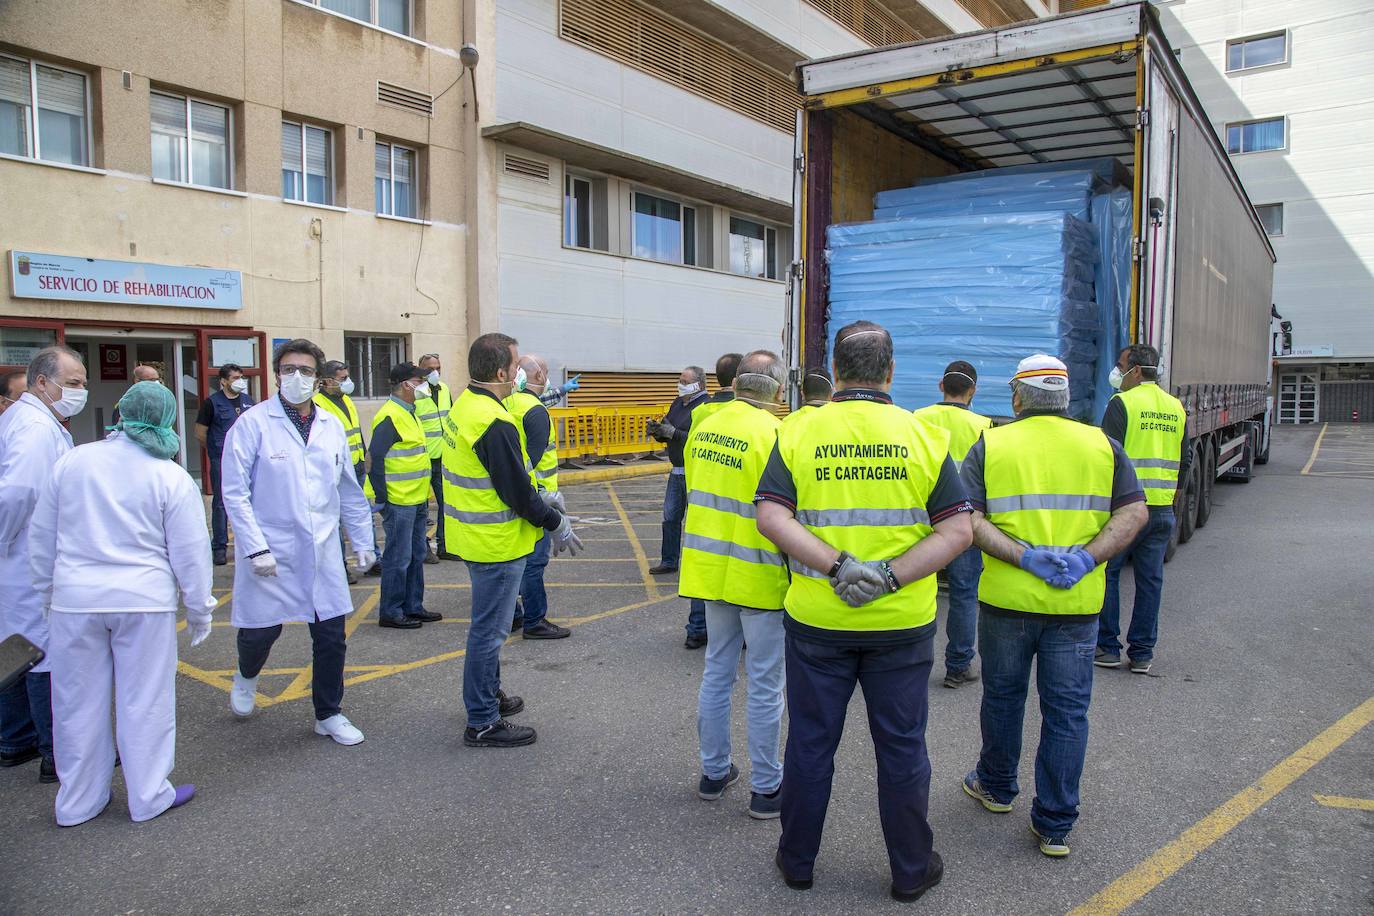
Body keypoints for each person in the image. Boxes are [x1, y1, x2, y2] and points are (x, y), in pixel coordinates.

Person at [755, 321, 973, 902]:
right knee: (902, 749)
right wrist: (889, 576)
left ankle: (797, 862)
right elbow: (957, 530)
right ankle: (909, 870)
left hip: (817, 620)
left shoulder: (799, 429)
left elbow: (773, 518)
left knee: (809, 745)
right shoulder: (923, 435)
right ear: (891, 372)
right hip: (899, 624)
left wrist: (834, 568)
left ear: (836, 367)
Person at [958, 354, 1147, 859]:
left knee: (1003, 697)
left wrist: (1023, 557)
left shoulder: (992, 444)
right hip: (1078, 605)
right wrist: (1087, 557)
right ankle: (1056, 823)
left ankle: (997, 788)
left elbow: (966, 518)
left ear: (1018, 397)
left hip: (1007, 602)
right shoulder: (1101, 445)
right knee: (1067, 712)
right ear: (1064, 398)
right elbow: (1134, 512)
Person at [28, 381, 213, 826]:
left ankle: (77, 802)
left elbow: (42, 536)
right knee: (144, 699)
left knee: (75, 702)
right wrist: (200, 607)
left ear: (122, 415)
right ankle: (148, 795)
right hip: (143, 602)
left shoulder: (73, 462)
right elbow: (190, 551)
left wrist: (47, 593)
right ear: (166, 420)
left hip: (75, 601)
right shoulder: (168, 474)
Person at [219, 339, 376, 746]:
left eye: (306, 371)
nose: (297, 378)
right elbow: (234, 493)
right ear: (276, 374)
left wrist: (362, 539)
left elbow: (347, 489)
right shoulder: (252, 424)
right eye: (289, 369)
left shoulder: (330, 426)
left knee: (330, 636)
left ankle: (328, 713)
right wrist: (254, 547)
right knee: (259, 632)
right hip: (269, 549)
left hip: (322, 550)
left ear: (319, 379)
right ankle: (247, 674)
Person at [441, 333, 583, 748]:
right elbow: (516, 492)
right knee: (489, 633)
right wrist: (554, 520)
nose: (521, 370)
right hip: (496, 543)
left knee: (488, 630)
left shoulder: (467, 405)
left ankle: (489, 696)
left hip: (475, 538)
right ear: (502, 372)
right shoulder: (493, 421)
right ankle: (483, 720)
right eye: (517, 363)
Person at [681, 350, 789, 820]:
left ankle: (713, 772)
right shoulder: (775, 433)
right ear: (778, 391)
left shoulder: (705, 424)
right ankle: (766, 788)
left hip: (710, 569)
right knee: (765, 681)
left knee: (717, 670)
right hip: (759, 572)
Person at [0, 345, 87, 785]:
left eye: (83, 384)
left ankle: (15, 740)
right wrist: (6, 542)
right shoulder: (36, 428)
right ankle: (57, 753)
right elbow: (18, 494)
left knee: (17, 645)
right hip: (27, 559)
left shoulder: (31, 420)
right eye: (72, 383)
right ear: (41, 382)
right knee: (43, 654)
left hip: (20, 559)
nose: (80, 392)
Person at [1097, 344, 1189, 674]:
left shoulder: (1122, 403)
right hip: (1161, 509)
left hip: (1125, 508)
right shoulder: (1175, 406)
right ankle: (1142, 653)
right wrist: (1170, 502)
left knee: (1107, 575)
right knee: (1150, 581)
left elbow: (1107, 458)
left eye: (1121, 366)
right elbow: (1185, 458)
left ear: (1136, 371)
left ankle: (1107, 648)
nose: (1117, 373)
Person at [913, 361, 994, 689]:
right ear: (972, 390)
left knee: (917, 586)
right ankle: (958, 665)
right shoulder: (983, 425)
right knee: (963, 592)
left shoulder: (917, 418)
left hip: (921, 518)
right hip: (962, 520)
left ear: (940, 385)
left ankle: (911, 659)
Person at [367, 362, 441, 630]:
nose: (424, 385)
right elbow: (373, 460)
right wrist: (383, 498)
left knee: (416, 553)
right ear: (406, 385)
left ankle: (413, 606)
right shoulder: (390, 416)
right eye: (419, 380)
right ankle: (391, 611)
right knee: (398, 558)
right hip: (399, 501)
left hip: (416, 497)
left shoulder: (410, 413)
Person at [505, 354, 571, 640]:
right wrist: (544, 496)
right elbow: (529, 462)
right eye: (545, 372)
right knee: (534, 562)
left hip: (516, 495)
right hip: (539, 497)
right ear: (541, 377)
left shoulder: (509, 402)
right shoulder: (535, 410)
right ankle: (534, 620)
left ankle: (513, 615)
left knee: (517, 558)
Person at [646, 365, 711, 648]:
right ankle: (669, 560)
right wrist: (659, 431)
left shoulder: (705, 408)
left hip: (694, 469)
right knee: (670, 516)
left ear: (698, 384)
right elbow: (670, 430)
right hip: (676, 470)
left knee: (693, 519)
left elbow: (698, 440)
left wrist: (674, 433)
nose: (680, 384)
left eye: (685, 381)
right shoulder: (678, 403)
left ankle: (687, 562)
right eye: (679, 380)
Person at [195, 363, 254, 566]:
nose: (240, 381)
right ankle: (219, 547)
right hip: (221, 459)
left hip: (247, 461)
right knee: (221, 504)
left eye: (241, 377)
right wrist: (215, 450)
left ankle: (248, 545)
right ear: (223, 381)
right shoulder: (212, 403)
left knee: (249, 502)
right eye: (235, 378)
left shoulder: (248, 401)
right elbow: (200, 433)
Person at [314, 360, 366, 585]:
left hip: (356, 464)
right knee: (333, 522)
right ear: (326, 381)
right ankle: (339, 567)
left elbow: (356, 430)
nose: (348, 382)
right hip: (334, 469)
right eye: (342, 378)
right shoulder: (317, 404)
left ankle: (369, 557)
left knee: (357, 514)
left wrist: (364, 455)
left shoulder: (346, 400)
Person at [415, 353, 455, 562]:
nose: (435, 372)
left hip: (442, 455)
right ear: (420, 369)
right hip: (421, 457)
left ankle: (445, 545)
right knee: (421, 508)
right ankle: (423, 550)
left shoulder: (445, 389)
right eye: (430, 369)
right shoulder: (415, 392)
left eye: (438, 367)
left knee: (446, 503)